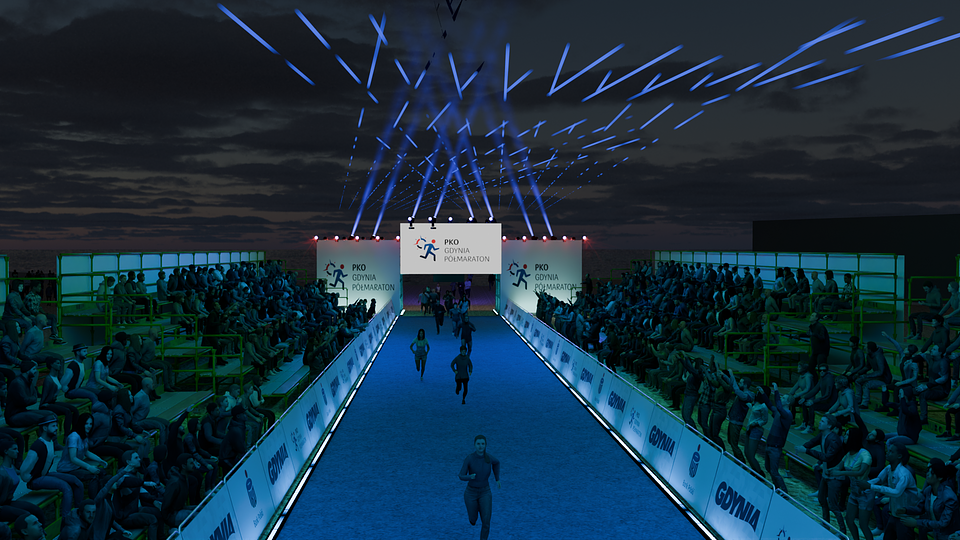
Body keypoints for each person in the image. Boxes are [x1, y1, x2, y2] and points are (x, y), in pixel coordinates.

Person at [19, 417, 85, 515]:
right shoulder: (38, 445)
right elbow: (24, 469)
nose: (56, 428)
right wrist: (30, 477)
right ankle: (66, 518)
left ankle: (79, 513)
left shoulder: (50, 442)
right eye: (53, 426)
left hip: (45, 474)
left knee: (76, 482)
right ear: (45, 428)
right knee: (66, 487)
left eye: (56, 425)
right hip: (36, 479)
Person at [860, 441, 921, 540]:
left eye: (891, 452)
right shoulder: (889, 468)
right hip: (895, 514)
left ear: (899, 456)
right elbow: (879, 479)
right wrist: (864, 484)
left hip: (905, 516)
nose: (887, 453)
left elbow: (896, 492)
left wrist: (870, 486)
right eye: (888, 451)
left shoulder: (904, 474)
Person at [796, 414, 846, 534]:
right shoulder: (822, 435)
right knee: (822, 499)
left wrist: (806, 451)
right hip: (826, 473)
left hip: (835, 475)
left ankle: (842, 531)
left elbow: (827, 457)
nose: (819, 422)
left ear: (829, 425)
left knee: (833, 505)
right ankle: (826, 524)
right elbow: (811, 442)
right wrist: (802, 447)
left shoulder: (834, 440)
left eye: (822, 421)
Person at [897, 461, 960, 540]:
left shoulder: (949, 497)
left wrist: (916, 522)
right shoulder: (928, 490)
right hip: (936, 530)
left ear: (940, 478)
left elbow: (943, 523)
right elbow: (920, 508)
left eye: (931, 473)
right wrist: (905, 510)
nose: (927, 474)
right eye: (928, 471)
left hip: (949, 534)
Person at [457, 435, 500, 540]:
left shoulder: (489, 458)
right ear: (474, 445)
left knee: (486, 521)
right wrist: (469, 477)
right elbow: (461, 475)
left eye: (482, 444)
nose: (480, 446)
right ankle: (474, 516)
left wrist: (497, 478)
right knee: (473, 519)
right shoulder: (470, 458)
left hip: (485, 492)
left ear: (485, 445)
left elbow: (497, 463)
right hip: (470, 493)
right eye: (478, 444)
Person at [57, 413, 109, 500]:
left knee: (102, 471)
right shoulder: (74, 437)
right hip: (67, 469)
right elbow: (73, 458)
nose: (89, 426)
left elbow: (86, 452)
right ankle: (94, 501)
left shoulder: (84, 435)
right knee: (94, 476)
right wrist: (89, 467)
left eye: (91, 424)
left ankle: (102, 497)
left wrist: (100, 460)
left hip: (76, 467)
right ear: (81, 423)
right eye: (86, 423)